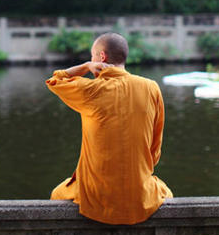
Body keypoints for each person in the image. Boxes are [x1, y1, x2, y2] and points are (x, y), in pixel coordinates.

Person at [46, 31, 172, 224]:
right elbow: (155, 149)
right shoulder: (151, 88)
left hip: (96, 197)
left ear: (101, 57)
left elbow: (55, 80)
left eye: (92, 55)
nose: (91, 60)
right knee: (165, 191)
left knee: (57, 193)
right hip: (139, 196)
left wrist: (86, 66)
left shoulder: (90, 90)